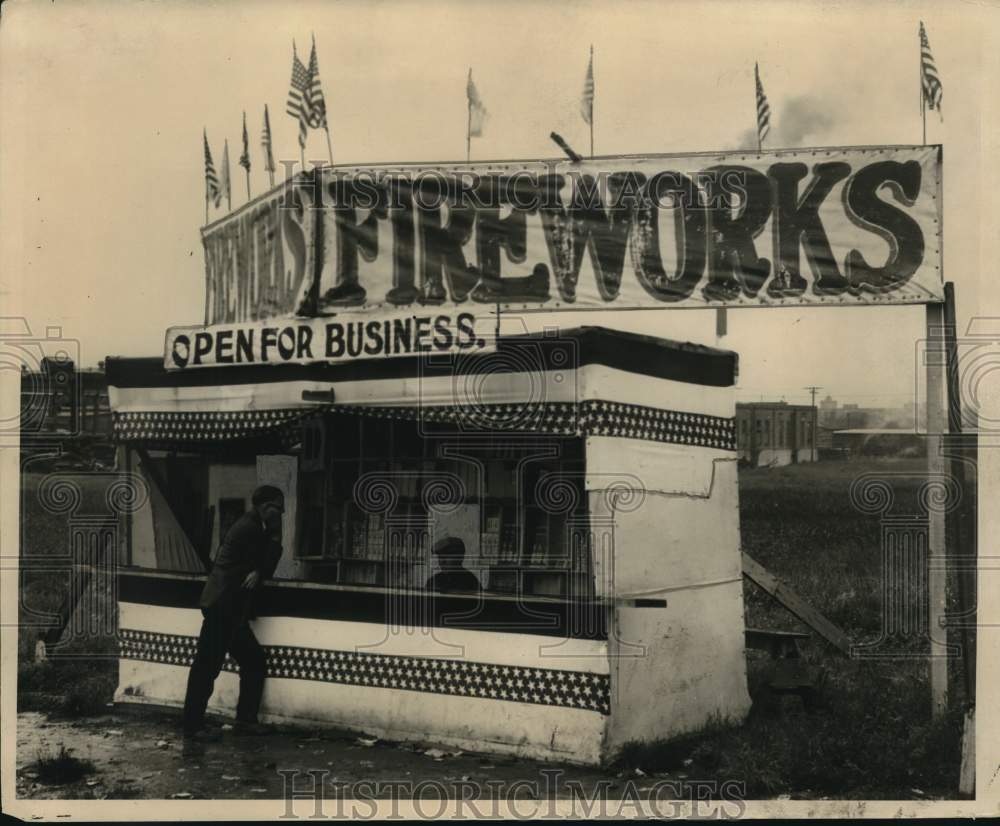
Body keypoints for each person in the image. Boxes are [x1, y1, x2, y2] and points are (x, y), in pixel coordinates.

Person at [181, 485, 284, 740]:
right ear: (264, 506)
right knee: (207, 667)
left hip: (230, 610)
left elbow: (259, 566)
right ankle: (193, 726)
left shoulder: (251, 525)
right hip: (223, 608)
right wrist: (275, 537)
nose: (281, 513)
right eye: (277, 508)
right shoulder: (250, 528)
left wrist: (258, 569)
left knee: (253, 661)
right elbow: (267, 561)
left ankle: (246, 720)